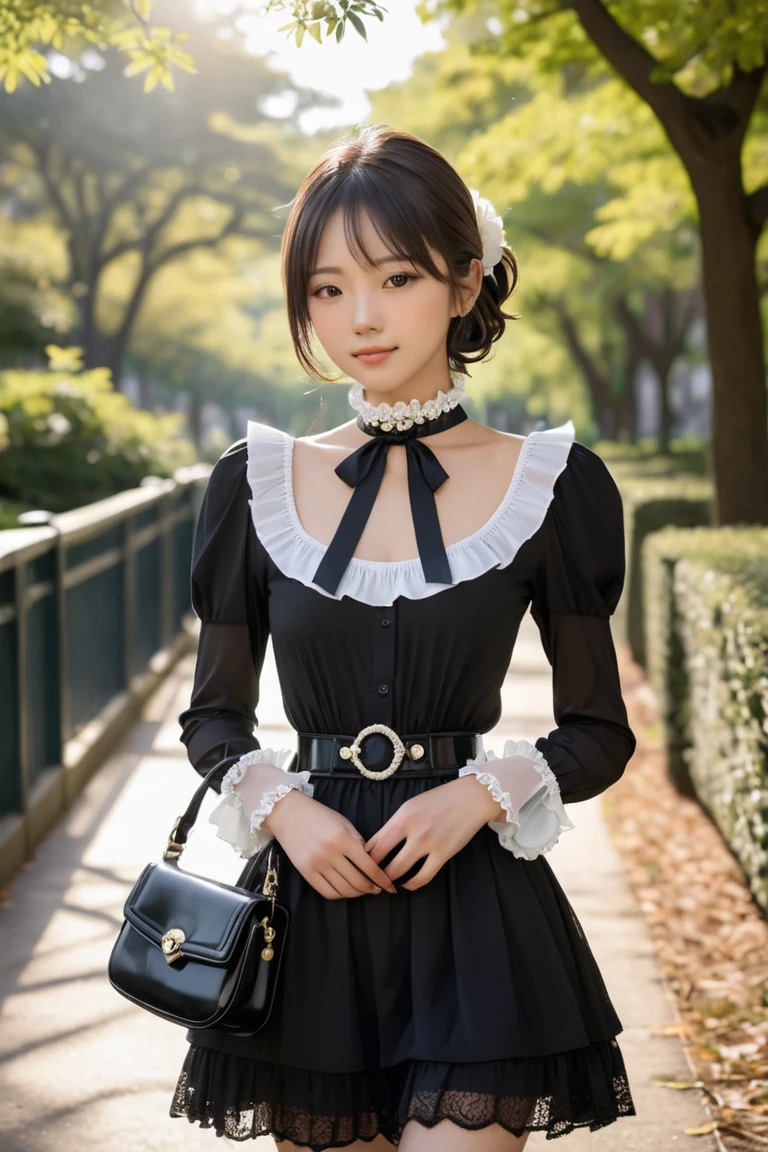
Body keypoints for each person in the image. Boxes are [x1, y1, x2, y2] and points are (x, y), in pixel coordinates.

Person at [169, 124, 638, 1151]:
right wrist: (284, 811)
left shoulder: (552, 484)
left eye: (396, 276)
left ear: (466, 282)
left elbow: (599, 731)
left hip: (476, 906)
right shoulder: (254, 483)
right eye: (329, 289)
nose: (362, 317)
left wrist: (480, 794)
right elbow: (212, 717)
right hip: (310, 909)